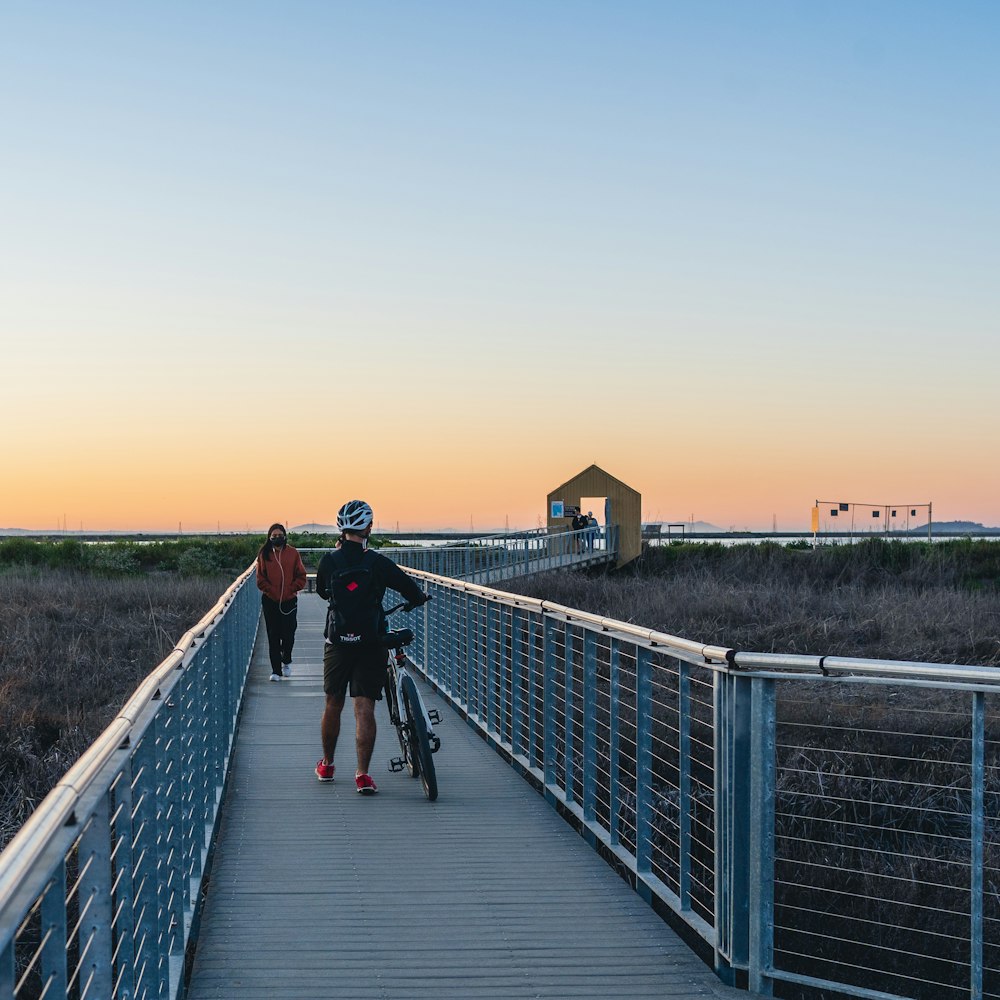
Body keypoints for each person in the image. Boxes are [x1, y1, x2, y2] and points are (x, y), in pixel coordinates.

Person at [314, 499, 428, 794]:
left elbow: (324, 592)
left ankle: (326, 764)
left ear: (341, 527)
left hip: (338, 641)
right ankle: (362, 775)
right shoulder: (377, 562)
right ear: (368, 527)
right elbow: (409, 588)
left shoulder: (329, 561)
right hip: (371, 641)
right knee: (364, 708)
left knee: (333, 703)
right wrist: (417, 598)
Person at [255, 523, 307, 682]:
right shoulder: (264, 554)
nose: (277, 538)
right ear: (269, 538)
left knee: (289, 633)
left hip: (289, 600)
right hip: (270, 600)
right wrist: (271, 591)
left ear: (284, 536)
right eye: (274, 536)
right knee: (273, 634)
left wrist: (290, 589)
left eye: (279, 535)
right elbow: (260, 579)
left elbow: (301, 576)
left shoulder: (293, 553)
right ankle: (276, 670)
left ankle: (287, 659)